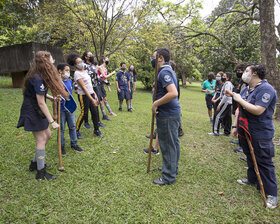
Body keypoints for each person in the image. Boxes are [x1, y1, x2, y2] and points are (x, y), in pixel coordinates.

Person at [229, 63, 278, 209]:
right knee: (249, 155)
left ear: (255, 73)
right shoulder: (248, 89)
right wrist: (236, 126)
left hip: (260, 132)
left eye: (246, 71)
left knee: (264, 162)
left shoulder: (266, 89)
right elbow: (241, 109)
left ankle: (271, 195)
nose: (244, 73)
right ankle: (252, 179)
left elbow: (258, 110)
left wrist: (238, 99)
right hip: (246, 129)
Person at [17, 51, 67, 180]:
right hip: (33, 111)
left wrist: (51, 98)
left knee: (48, 136)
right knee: (41, 139)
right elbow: (40, 102)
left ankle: (35, 163)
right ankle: (41, 172)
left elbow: (40, 95)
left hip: (37, 109)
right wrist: (52, 121)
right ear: (46, 62)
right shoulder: (37, 78)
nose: (54, 61)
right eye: (52, 59)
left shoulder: (40, 75)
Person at [151, 47, 181, 185]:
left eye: (154, 57)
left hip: (168, 114)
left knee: (168, 144)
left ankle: (168, 176)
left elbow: (173, 93)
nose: (152, 60)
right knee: (173, 143)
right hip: (171, 113)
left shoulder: (164, 72)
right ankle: (171, 168)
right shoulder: (168, 70)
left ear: (161, 58)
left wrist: (156, 103)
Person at [67, 52, 103, 138]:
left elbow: (89, 84)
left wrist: (94, 94)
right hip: (83, 95)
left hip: (91, 93)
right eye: (78, 62)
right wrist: (91, 99)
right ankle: (76, 130)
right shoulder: (77, 73)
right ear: (75, 65)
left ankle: (96, 130)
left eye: (81, 61)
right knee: (84, 113)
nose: (81, 63)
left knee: (94, 112)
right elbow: (83, 87)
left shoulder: (84, 71)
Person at [57, 63, 83, 155]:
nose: (68, 72)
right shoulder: (57, 82)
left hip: (70, 108)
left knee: (72, 127)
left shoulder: (69, 81)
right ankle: (62, 146)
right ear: (60, 71)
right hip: (61, 109)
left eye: (68, 70)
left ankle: (74, 144)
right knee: (62, 128)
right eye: (66, 70)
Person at [82, 51, 105, 129]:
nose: (91, 56)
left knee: (96, 104)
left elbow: (97, 76)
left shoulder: (94, 65)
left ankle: (97, 121)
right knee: (86, 106)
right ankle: (86, 122)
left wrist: (104, 82)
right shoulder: (83, 66)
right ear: (85, 57)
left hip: (95, 87)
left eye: (92, 55)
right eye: (89, 55)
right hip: (87, 87)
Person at [210, 72, 233, 136]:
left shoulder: (227, 84)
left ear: (227, 78)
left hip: (226, 102)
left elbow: (225, 95)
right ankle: (227, 132)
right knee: (228, 117)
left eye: (224, 76)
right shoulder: (227, 83)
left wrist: (220, 104)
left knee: (218, 116)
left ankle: (215, 132)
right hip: (228, 102)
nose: (223, 77)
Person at [97, 55, 117, 120]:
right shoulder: (100, 67)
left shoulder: (105, 69)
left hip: (102, 85)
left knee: (105, 99)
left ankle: (110, 112)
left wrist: (108, 86)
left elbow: (105, 79)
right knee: (101, 101)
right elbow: (105, 76)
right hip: (97, 85)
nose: (108, 61)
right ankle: (104, 115)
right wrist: (112, 73)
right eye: (106, 59)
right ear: (103, 60)